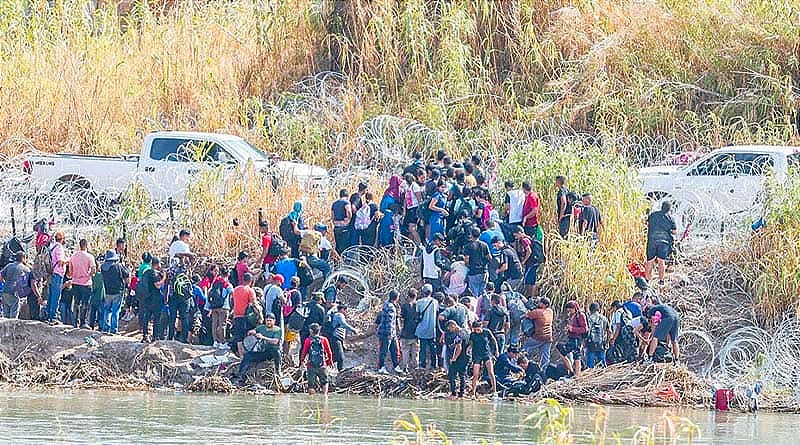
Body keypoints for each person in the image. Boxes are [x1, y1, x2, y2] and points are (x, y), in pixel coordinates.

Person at [238, 312, 283, 381]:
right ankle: (240, 374)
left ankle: (278, 370)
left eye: (270, 321)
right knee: (247, 356)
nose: (268, 322)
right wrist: (251, 332)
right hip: (262, 351)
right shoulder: (261, 327)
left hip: (272, 353)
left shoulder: (277, 330)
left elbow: (275, 341)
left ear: (274, 321)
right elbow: (254, 330)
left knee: (276, 351)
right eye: (267, 320)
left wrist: (263, 337)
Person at [645, 201, 677, 285]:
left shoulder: (653, 215)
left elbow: (646, 224)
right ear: (669, 209)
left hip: (652, 240)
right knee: (661, 261)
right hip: (664, 242)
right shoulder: (670, 218)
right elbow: (674, 231)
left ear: (661, 207)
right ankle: (661, 281)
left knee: (650, 261)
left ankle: (647, 280)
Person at [300, 323, 334, 395]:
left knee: (311, 385)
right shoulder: (324, 339)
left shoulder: (308, 340)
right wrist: (330, 362)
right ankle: (325, 397)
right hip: (322, 365)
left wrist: (302, 361)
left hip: (311, 366)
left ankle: (312, 401)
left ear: (311, 331)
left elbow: (304, 352)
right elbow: (329, 352)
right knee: (325, 382)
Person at [100, 250, 130, 334]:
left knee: (107, 310)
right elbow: (127, 276)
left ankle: (105, 328)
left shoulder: (103, 267)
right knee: (115, 311)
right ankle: (113, 329)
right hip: (118, 292)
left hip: (107, 291)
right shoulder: (119, 266)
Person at [69, 239, 96, 329]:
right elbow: (93, 269)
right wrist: (89, 274)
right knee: (85, 303)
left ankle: (75, 322)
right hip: (86, 282)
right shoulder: (89, 256)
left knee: (76, 302)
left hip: (75, 282)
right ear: (86, 245)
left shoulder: (73, 256)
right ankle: (83, 322)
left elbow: (70, 271)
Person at [468, 321, 499, 398]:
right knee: (475, 374)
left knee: (491, 372)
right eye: (474, 330)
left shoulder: (487, 332)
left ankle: (495, 391)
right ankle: (473, 393)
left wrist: (496, 351)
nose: (476, 331)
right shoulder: (472, 334)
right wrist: (468, 348)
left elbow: (494, 340)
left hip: (486, 354)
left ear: (481, 327)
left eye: (478, 329)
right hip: (476, 355)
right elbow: (471, 343)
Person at [558, 301, 588, 378]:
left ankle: (577, 375)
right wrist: (568, 329)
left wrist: (573, 329)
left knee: (576, 355)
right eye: (568, 310)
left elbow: (585, 329)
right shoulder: (572, 315)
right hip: (571, 338)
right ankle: (571, 371)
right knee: (562, 351)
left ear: (575, 308)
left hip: (577, 339)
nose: (569, 312)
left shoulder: (580, 315)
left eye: (570, 310)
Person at [375, 290, 402, 374]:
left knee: (394, 350)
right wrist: (390, 333)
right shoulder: (390, 307)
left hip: (391, 333)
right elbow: (389, 322)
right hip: (387, 333)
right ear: (396, 298)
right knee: (384, 350)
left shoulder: (387, 304)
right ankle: (381, 367)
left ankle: (396, 366)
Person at [139, 257, 165, 343]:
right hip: (155, 299)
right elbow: (157, 285)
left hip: (147, 298)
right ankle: (155, 337)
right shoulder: (154, 274)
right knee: (156, 319)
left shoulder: (146, 272)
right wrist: (164, 278)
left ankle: (145, 336)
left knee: (147, 317)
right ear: (157, 264)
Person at [523, 297, 553, 369]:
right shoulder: (550, 311)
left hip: (538, 336)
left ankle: (521, 365)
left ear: (544, 304)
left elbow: (526, 316)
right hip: (549, 337)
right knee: (545, 356)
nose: (538, 303)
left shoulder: (537, 312)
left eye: (540, 302)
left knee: (525, 348)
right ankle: (544, 371)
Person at [0, 252, 32, 319]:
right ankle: (11, 329)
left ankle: (4, 329)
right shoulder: (26, 269)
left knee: (5, 314)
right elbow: (28, 282)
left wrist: (4, 282)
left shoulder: (9, 265)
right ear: (23, 258)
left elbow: (0, 275)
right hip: (14, 293)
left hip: (5, 291)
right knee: (13, 316)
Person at [207, 267, 233, 349]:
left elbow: (209, 292)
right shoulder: (227, 284)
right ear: (228, 274)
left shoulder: (215, 282)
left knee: (214, 324)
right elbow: (232, 294)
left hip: (214, 306)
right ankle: (222, 342)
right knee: (222, 324)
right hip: (224, 307)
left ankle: (215, 342)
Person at [231, 273, 257, 356]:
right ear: (250, 281)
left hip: (236, 315)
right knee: (248, 334)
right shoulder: (250, 290)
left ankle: (241, 356)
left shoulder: (235, 289)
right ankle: (247, 354)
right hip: (246, 316)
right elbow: (254, 304)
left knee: (239, 337)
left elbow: (232, 301)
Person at [415, 284, 440, 369]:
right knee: (433, 348)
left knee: (423, 348)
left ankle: (422, 364)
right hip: (432, 329)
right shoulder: (435, 302)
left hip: (422, 328)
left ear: (423, 292)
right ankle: (434, 364)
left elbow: (417, 313)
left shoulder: (419, 302)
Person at [46, 231, 68, 324]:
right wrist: (68, 260)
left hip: (51, 274)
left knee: (51, 295)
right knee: (56, 296)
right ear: (62, 239)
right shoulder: (59, 248)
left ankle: (48, 315)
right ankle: (53, 316)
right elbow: (60, 261)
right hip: (57, 274)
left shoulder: (52, 247)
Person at [168, 265, 195, 343]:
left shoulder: (171, 269)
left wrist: (166, 296)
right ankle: (184, 339)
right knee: (184, 318)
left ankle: (170, 337)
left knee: (172, 318)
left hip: (173, 296)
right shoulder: (187, 268)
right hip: (184, 297)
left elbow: (167, 282)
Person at [328, 304, 358, 371]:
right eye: (345, 310)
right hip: (336, 337)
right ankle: (340, 371)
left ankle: (324, 366)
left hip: (337, 338)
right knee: (340, 357)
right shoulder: (339, 315)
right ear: (342, 309)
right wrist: (354, 330)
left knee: (336, 357)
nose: (346, 312)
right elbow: (344, 324)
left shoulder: (336, 315)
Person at [463, 227, 491, 298]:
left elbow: (466, 260)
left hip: (473, 272)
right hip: (484, 271)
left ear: (471, 235)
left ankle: (476, 307)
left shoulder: (468, 246)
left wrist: (469, 266)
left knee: (474, 294)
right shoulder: (484, 245)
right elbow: (489, 257)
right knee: (482, 293)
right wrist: (484, 263)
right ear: (480, 235)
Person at [300, 293, 327, 363]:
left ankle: (301, 363)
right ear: (320, 299)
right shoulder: (321, 309)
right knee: (314, 347)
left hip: (303, 329)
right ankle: (313, 363)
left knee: (303, 346)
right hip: (314, 331)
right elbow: (322, 322)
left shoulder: (305, 305)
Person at [444, 320, 468, 399]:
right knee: (462, 375)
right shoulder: (466, 331)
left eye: (449, 328)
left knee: (452, 375)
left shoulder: (458, 334)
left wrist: (454, 358)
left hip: (458, 358)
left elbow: (459, 347)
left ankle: (454, 394)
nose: (449, 330)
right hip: (466, 357)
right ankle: (461, 393)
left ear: (453, 326)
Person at [585, 302, 611, 368]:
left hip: (590, 344)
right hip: (601, 344)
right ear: (598, 309)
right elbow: (609, 332)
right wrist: (607, 342)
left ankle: (590, 377)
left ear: (590, 310)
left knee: (590, 365)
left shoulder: (588, 319)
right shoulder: (604, 319)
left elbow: (585, 332)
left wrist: (584, 342)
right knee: (602, 364)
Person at [399, 289, 420, 371]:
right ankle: (415, 368)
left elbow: (402, 317)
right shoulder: (418, 305)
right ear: (416, 296)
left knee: (405, 351)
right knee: (415, 352)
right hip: (416, 333)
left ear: (408, 296)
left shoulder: (404, 306)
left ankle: (405, 367)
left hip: (405, 332)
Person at [403, 172, 424, 245]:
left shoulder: (415, 186)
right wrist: (404, 210)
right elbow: (405, 199)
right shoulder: (408, 187)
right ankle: (411, 245)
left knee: (412, 228)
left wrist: (420, 212)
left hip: (415, 209)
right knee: (409, 229)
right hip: (409, 209)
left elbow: (420, 200)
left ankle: (419, 244)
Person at [331, 189, 353, 254]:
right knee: (345, 246)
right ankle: (343, 261)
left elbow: (332, 215)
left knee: (338, 245)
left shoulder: (334, 203)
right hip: (344, 226)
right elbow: (349, 211)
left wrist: (334, 221)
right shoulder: (346, 202)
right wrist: (349, 219)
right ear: (347, 195)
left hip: (336, 227)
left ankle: (337, 260)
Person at [88, 257, 105, 331]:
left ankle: (91, 325)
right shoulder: (101, 275)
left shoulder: (91, 276)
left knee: (92, 313)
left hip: (93, 297)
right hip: (101, 297)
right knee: (100, 313)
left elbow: (93, 287)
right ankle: (100, 327)